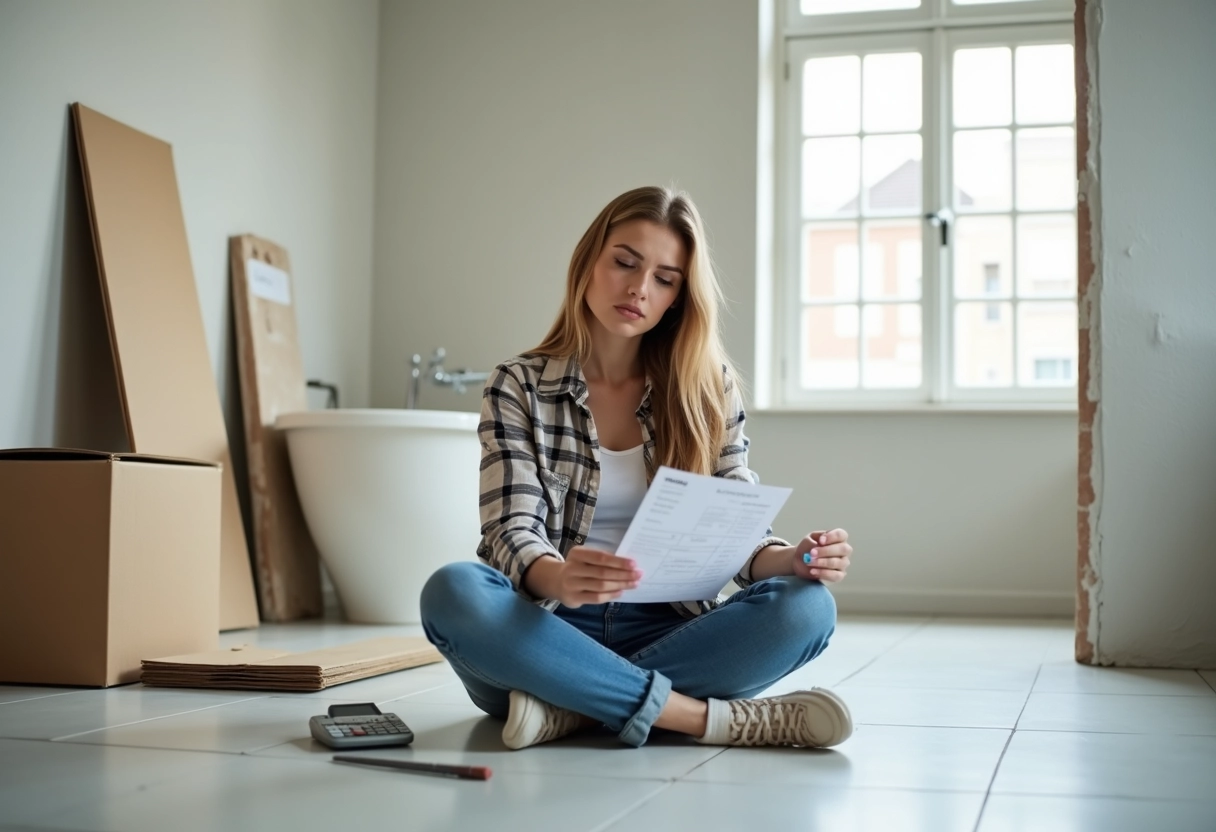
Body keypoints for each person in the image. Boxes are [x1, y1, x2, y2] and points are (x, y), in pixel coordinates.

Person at [420, 185, 855, 751]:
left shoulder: (707, 388)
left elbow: (735, 531)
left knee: (807, 607)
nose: (638, 288)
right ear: (589, 263)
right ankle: (700, 719)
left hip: (670, 626)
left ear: (679, 295)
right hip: (548, 628)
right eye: (624, 262)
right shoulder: (518, 384)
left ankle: (568, 709)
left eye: (665, 278)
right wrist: (560, 577)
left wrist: (792, 559)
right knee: (453, 591)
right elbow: (509, 531)